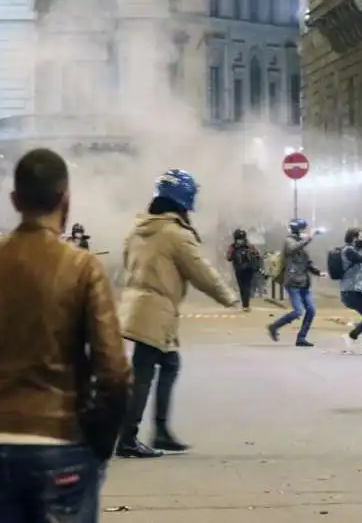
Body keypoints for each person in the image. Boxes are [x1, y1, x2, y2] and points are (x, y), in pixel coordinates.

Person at [0, 148, 131, 519]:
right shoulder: (82, 267)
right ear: (65, 200)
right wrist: (98, 443)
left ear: (14, 200)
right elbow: (114, 372)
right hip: (59, 443)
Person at [116, 168, 238, 458]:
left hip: (138, 305)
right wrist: (228, 296)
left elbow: (126, 262)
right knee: (143, 373)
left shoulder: (140, 228)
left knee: (168, 364)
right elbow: (201, 271)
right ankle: (128, 439)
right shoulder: (174, 233)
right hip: (155, 310)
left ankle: (159, 432)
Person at [267, 219, 327, 347]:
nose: (305, 232)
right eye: (303, 229)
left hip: (304, 282)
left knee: (311, 310)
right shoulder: (289, 241)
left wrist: (318, 272)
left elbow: (307, 262)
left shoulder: (302, 245)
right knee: (298, 311)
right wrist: (309, 238)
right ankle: (274, 326)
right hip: (293, 281)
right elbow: (293, 248)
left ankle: (301, 337)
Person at [226, 228, 261, 312]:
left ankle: (244, 304)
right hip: (249, 269)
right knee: (247, 286)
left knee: (242, 287)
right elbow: (257, 254)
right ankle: (246, 305)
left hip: (238, 270)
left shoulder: (233, 246)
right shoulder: (249, 245)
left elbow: (228, 258)